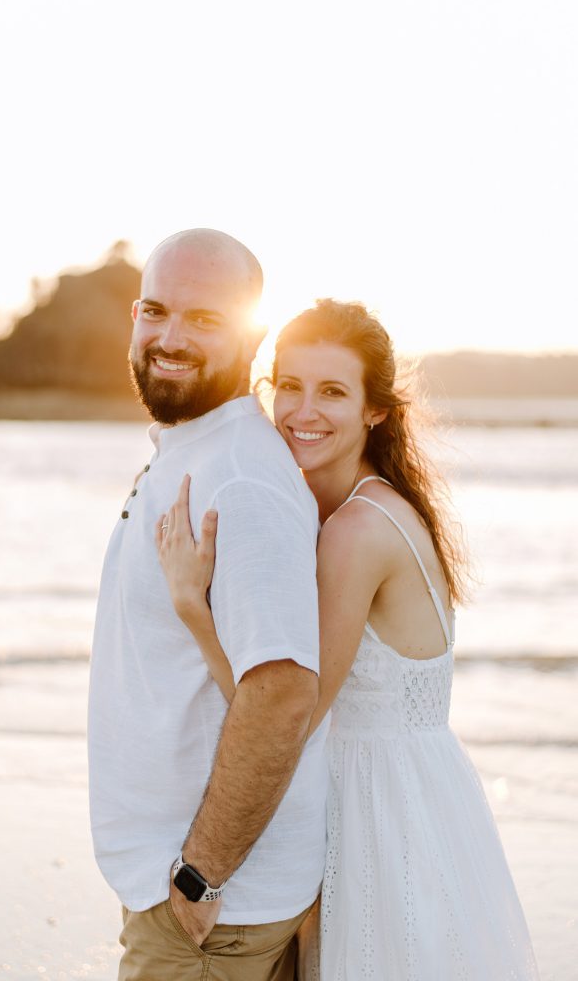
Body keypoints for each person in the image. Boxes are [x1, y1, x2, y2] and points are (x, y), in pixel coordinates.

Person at [157, 299, 540, 980]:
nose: (304, 412)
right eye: (291, 387)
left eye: (333, 391)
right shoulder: (348, 506)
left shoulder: (355, 531)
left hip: (379, 813)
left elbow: (293, 715)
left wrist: (191, 606)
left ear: (375, 411)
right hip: (413, 796)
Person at [87, 228, 330, 981]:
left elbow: (285, 692)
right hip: (187, 891)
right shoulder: (191, 445)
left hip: (211, 911)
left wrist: (199, 874)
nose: (169, 337)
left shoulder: (240, 476)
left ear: (251, 334)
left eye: (204, 319)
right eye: (155, 311)